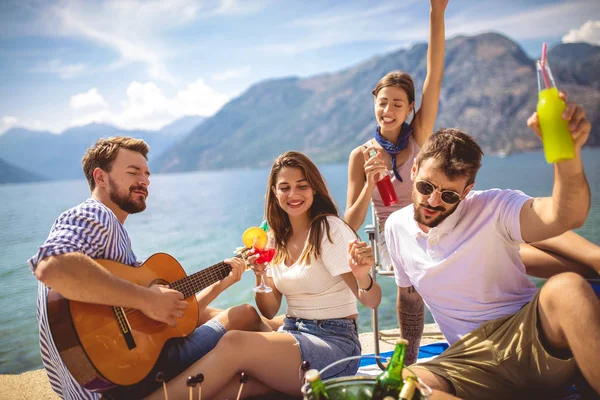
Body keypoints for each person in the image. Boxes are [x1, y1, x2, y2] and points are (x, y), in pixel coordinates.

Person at [384, 98, 600, 398]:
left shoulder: (495, 207)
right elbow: (409, 299)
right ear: (415, 169)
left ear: (467, 190)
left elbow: (565, 215)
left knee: (568, 289)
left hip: (527, 337)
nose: (433, 201)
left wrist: (567, 156)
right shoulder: (395, 227)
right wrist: (405, 360)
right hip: (466, 360)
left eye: (449, 195)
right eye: (425, 187)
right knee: (403, 387)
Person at [29, 137, 269, 400]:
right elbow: (51, 266)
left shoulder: (114, 235)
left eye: (146, 173)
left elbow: (163, 320)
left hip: (99, 385)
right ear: (100, 177)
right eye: (133, 172)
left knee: (205, 314)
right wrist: (146, 298)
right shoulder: (96, 215)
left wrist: (221, 282)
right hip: (124, 385)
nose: (145, 180)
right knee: (245, 315)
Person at [147, 151, 382, 399]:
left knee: (235, 343)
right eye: (285, 187)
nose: (293, 195)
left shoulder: (328, 229)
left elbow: (372, 300)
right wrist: (260, 276)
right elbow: (269, 310)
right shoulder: (275, 239)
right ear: (274, 192)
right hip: (293, 332)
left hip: (334, 346)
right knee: (229, 388)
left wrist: (362, 276)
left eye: (302, 186)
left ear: (314, 189)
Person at [345, 0, 448, 269]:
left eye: (398, 104)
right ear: (374, 103)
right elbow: (349, 226)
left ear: (410, 108)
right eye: (382, 102)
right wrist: (369, 184)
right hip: (392, 241)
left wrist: (436, 13)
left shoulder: (418, 137)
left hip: (428, 231)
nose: (388, 110)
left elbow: (434, 77)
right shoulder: (360, 155)